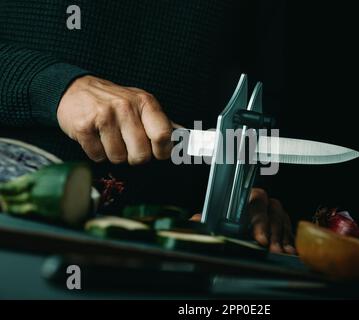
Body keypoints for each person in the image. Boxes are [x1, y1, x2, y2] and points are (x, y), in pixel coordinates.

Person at [0, 0, 295, 254]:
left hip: (171, 249)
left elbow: (266, 92)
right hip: (17, 226)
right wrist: (54, 88)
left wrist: (247, 190)